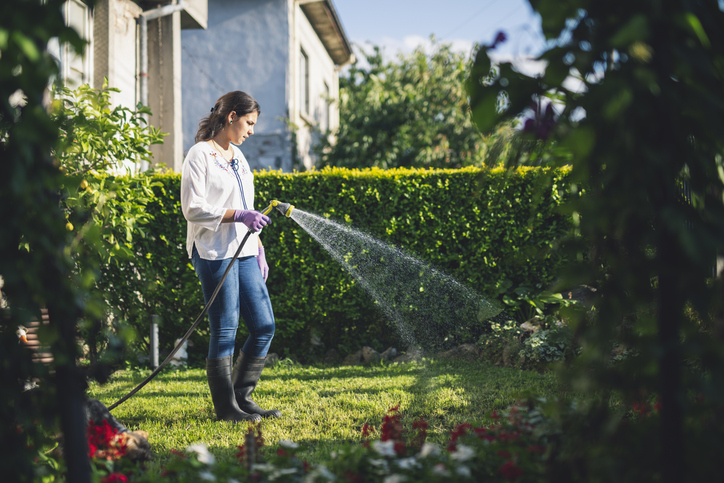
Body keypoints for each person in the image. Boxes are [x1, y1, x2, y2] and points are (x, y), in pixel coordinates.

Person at [180, 91, 281, 422]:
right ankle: (226, 409)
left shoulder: (239, 156)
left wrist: (260, 247)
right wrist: (239, 216)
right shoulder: (199, 155)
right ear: (232, 117)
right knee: (224, 328)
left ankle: (242, 397)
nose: (251, 131)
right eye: (249, 123)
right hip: (213, 251)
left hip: (246, 250)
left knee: (264, 325)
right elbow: (193, 209)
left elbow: (248, 207)